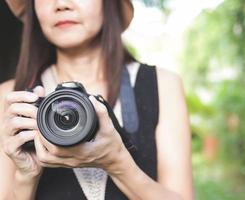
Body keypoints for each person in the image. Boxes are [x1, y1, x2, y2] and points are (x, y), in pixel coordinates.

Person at [0, 0, 193, 199]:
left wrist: (117, 163)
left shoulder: (161, 84)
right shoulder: (11, 98)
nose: (62, 4)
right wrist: (26, 176)